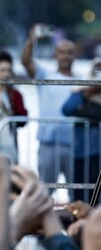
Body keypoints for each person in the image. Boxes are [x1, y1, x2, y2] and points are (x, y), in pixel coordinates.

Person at [21, 24, 79, 188]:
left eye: (69, 52)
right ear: (55, 54)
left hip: (76, 144)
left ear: (75, 55)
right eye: (62, 52)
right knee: (45, 193)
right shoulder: (45, 74)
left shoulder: (83, 80)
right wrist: (32, 40)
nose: (65, 56)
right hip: (49, 143)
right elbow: (26, 61)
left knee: (78, 192)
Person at [61, 59, 101, 202]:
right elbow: (66, 109)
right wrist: (86, 89)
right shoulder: (82, 92)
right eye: (96, 73)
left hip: (97, 154)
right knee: (79, 197)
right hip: (81, 153)